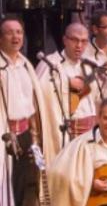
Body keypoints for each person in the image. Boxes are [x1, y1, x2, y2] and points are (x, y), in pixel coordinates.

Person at [0, 17, 54, 206]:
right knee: (3, 190)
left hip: (23, 135)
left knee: (19, 190)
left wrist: (34, 136)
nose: (16, 37)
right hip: (4, 136)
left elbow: (33, 104)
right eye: (10, 33)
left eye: (19, 32)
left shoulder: (25, 65)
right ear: (1, 37)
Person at [35, 23, 101, 151]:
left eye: (83, 41)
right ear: (65, 40)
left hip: (89, 129)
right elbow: (40, 91)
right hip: (65, 130)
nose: (79, 46)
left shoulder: (89, 65)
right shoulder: (50, 63)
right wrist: (66, 82)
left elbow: (98, 97)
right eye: (75, 40)